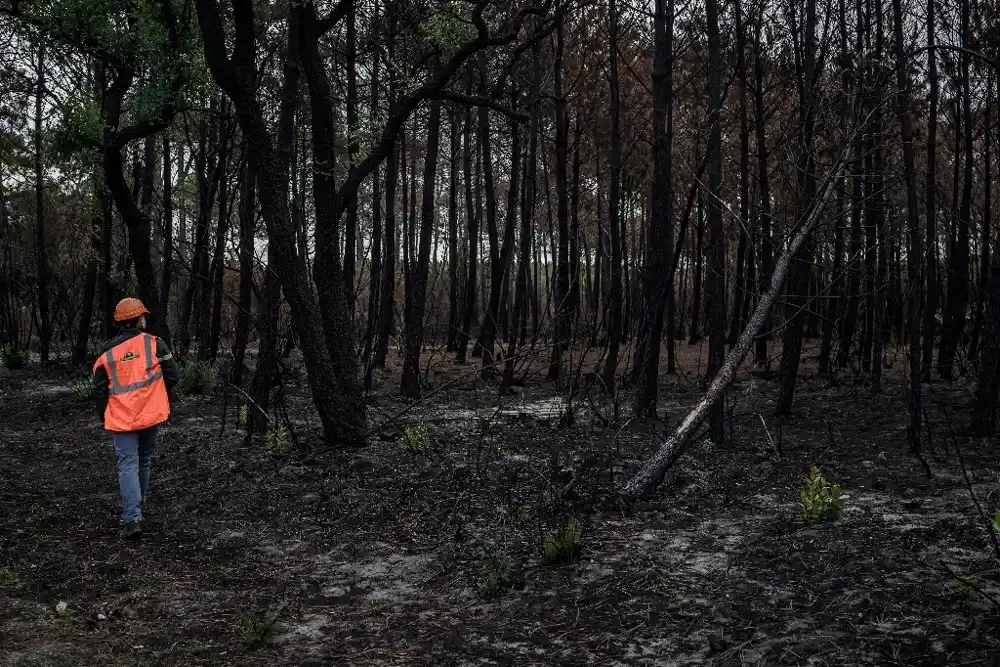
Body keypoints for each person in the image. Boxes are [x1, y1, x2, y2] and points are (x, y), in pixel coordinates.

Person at [92, 297, 180, 539]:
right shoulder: (155, 344)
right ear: (139, 319)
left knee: (127, 465)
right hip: (151, 414)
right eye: (143, 316)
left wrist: (104, 415)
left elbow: (99, 388)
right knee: (144, 461)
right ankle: (137, 510)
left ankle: (132, 519)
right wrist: (157, 393)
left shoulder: (107, 351)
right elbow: (173, 375)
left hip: (121, 418)